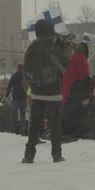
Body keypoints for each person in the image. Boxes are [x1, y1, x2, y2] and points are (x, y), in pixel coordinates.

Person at [22, 19, 69, 164]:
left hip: (36, 90)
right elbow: (65, 66)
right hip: (53, 90)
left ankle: (29, 155)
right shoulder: (53, 46)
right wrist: (64, 49)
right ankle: (56, 154)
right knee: (55, 124)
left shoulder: (31, 47)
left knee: (35, 123)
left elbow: (26, 70)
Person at [61, 42, 93, 139]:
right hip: (78, 92)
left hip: (68, 90)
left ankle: (67, 132)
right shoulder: (82, 59)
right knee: (79, 114)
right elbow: (85, 77)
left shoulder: (71, 58)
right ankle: (78, 133)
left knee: (68, 112)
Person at [6, 64, 28, 135]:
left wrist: (7, 94)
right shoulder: (25, 77)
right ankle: (23, 130)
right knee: (22, 115)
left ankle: (14, 129)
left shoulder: (14, 76)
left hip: (15, 98)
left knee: (14, 114)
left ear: (17, 69)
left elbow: (10, 86)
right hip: (23, 98)